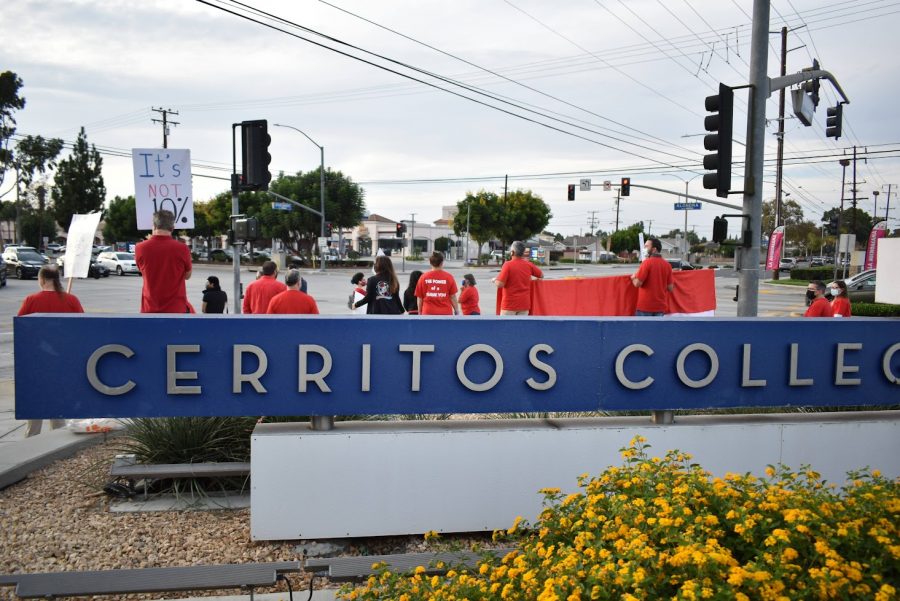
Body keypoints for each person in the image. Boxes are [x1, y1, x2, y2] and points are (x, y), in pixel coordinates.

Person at [18, 266, 83, 437]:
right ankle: (56, 440)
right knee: (58, 404)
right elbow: (82, 328)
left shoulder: (31, 300)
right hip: (63, 360)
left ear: (42, 280)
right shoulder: (71, 300)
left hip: (36, 360)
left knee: (35, 404)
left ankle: (32, 441)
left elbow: (21, 330)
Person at [134, 209, 193, 313]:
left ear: (154, 226)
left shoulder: (140, 248)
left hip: (149, 310)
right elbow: (187, 276)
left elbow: (142, 271)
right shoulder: (183, 248)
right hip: (176, 310)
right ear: (172, 228)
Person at [492, 241, 543, 315]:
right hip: (524, 305)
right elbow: (541, 275)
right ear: (522, 253)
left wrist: (494, 280)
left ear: (512, 252)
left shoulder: (507, 265)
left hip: (509, 305)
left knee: (506, 326)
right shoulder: (529, 265)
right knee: (522, 326)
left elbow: (500, 284)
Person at [630, 237, 674, 317]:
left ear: (654, 249)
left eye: (646, 246)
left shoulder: (646, 263)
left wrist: (633, 277)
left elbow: (637, 283)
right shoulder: (667, 265)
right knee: (657, 330)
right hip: (660, 307)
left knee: (643, 329)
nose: (644, 249)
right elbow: (670, 288)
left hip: (645, 307)